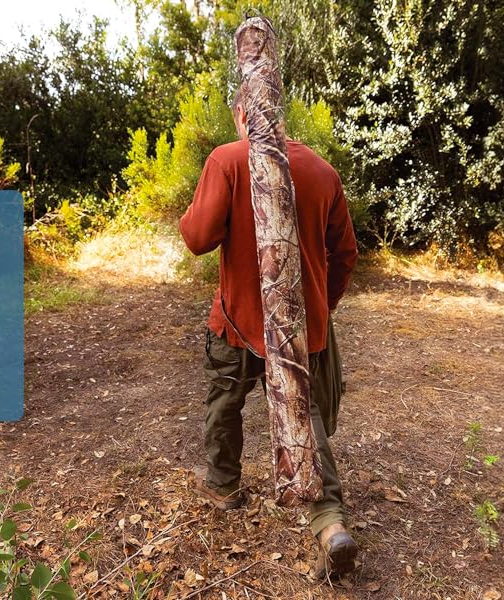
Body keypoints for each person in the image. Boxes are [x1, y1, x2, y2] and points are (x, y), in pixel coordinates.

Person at [177, 93, 360, 579]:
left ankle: (223, 488)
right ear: (280, 114)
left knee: (224, 401)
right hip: (301, 329)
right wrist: (321, 305)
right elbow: (345, 255)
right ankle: (329, 523)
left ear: (240, 113)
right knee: (306, 415)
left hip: (238, 324)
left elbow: (196, 238)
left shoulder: (228, 161)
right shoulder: (322, 172)